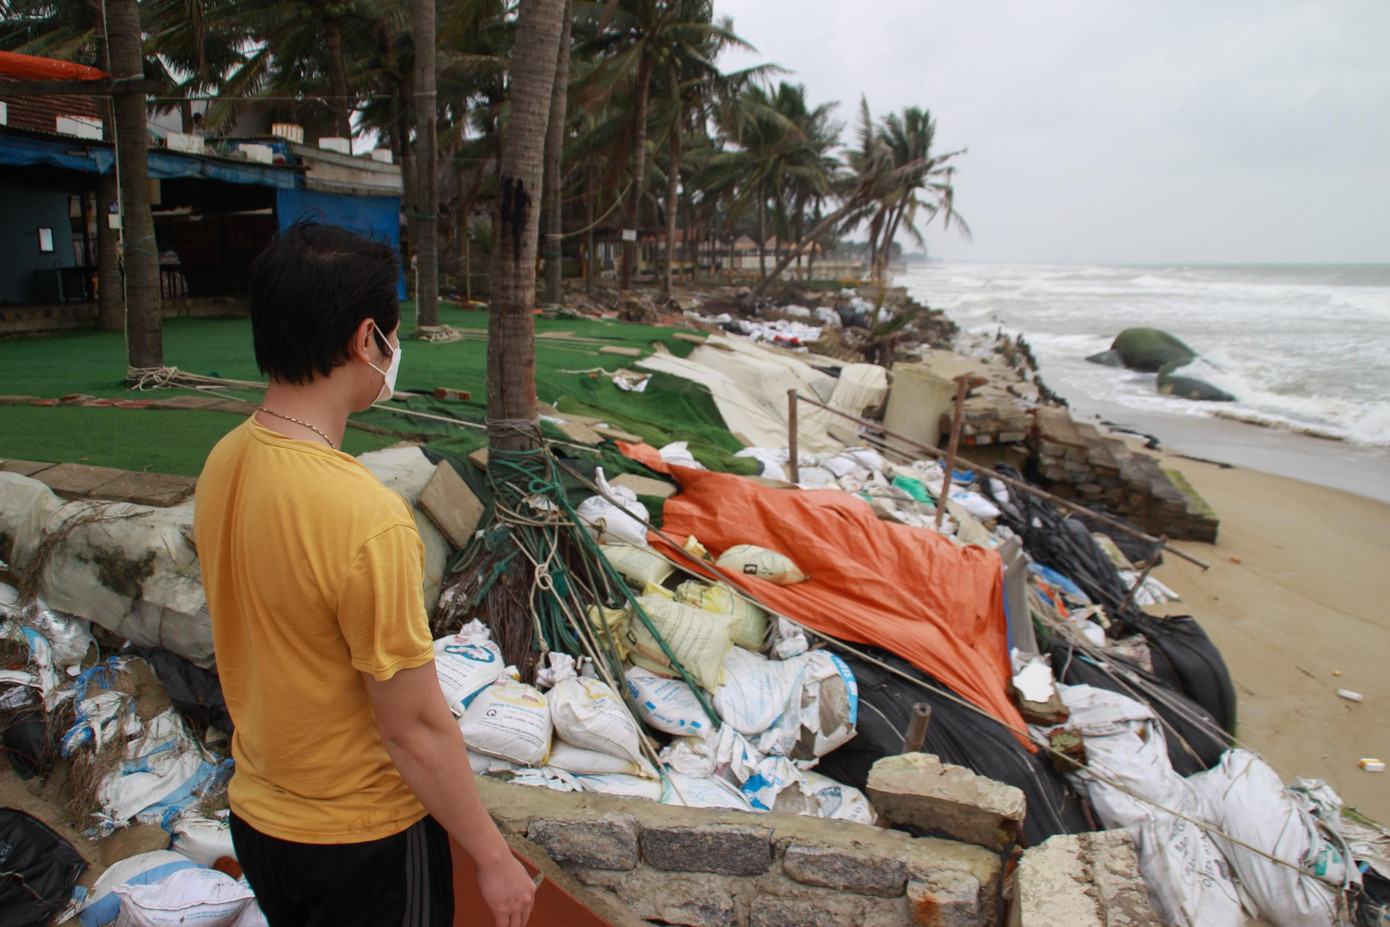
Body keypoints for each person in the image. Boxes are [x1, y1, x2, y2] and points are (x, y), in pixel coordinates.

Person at [194, 222, 535, 927]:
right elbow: (413, 728)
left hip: (261, 820)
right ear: (366, 340)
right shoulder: (363, 514)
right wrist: (493, 856)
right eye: (393, 335)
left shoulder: (225, 458)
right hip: (362, 840)